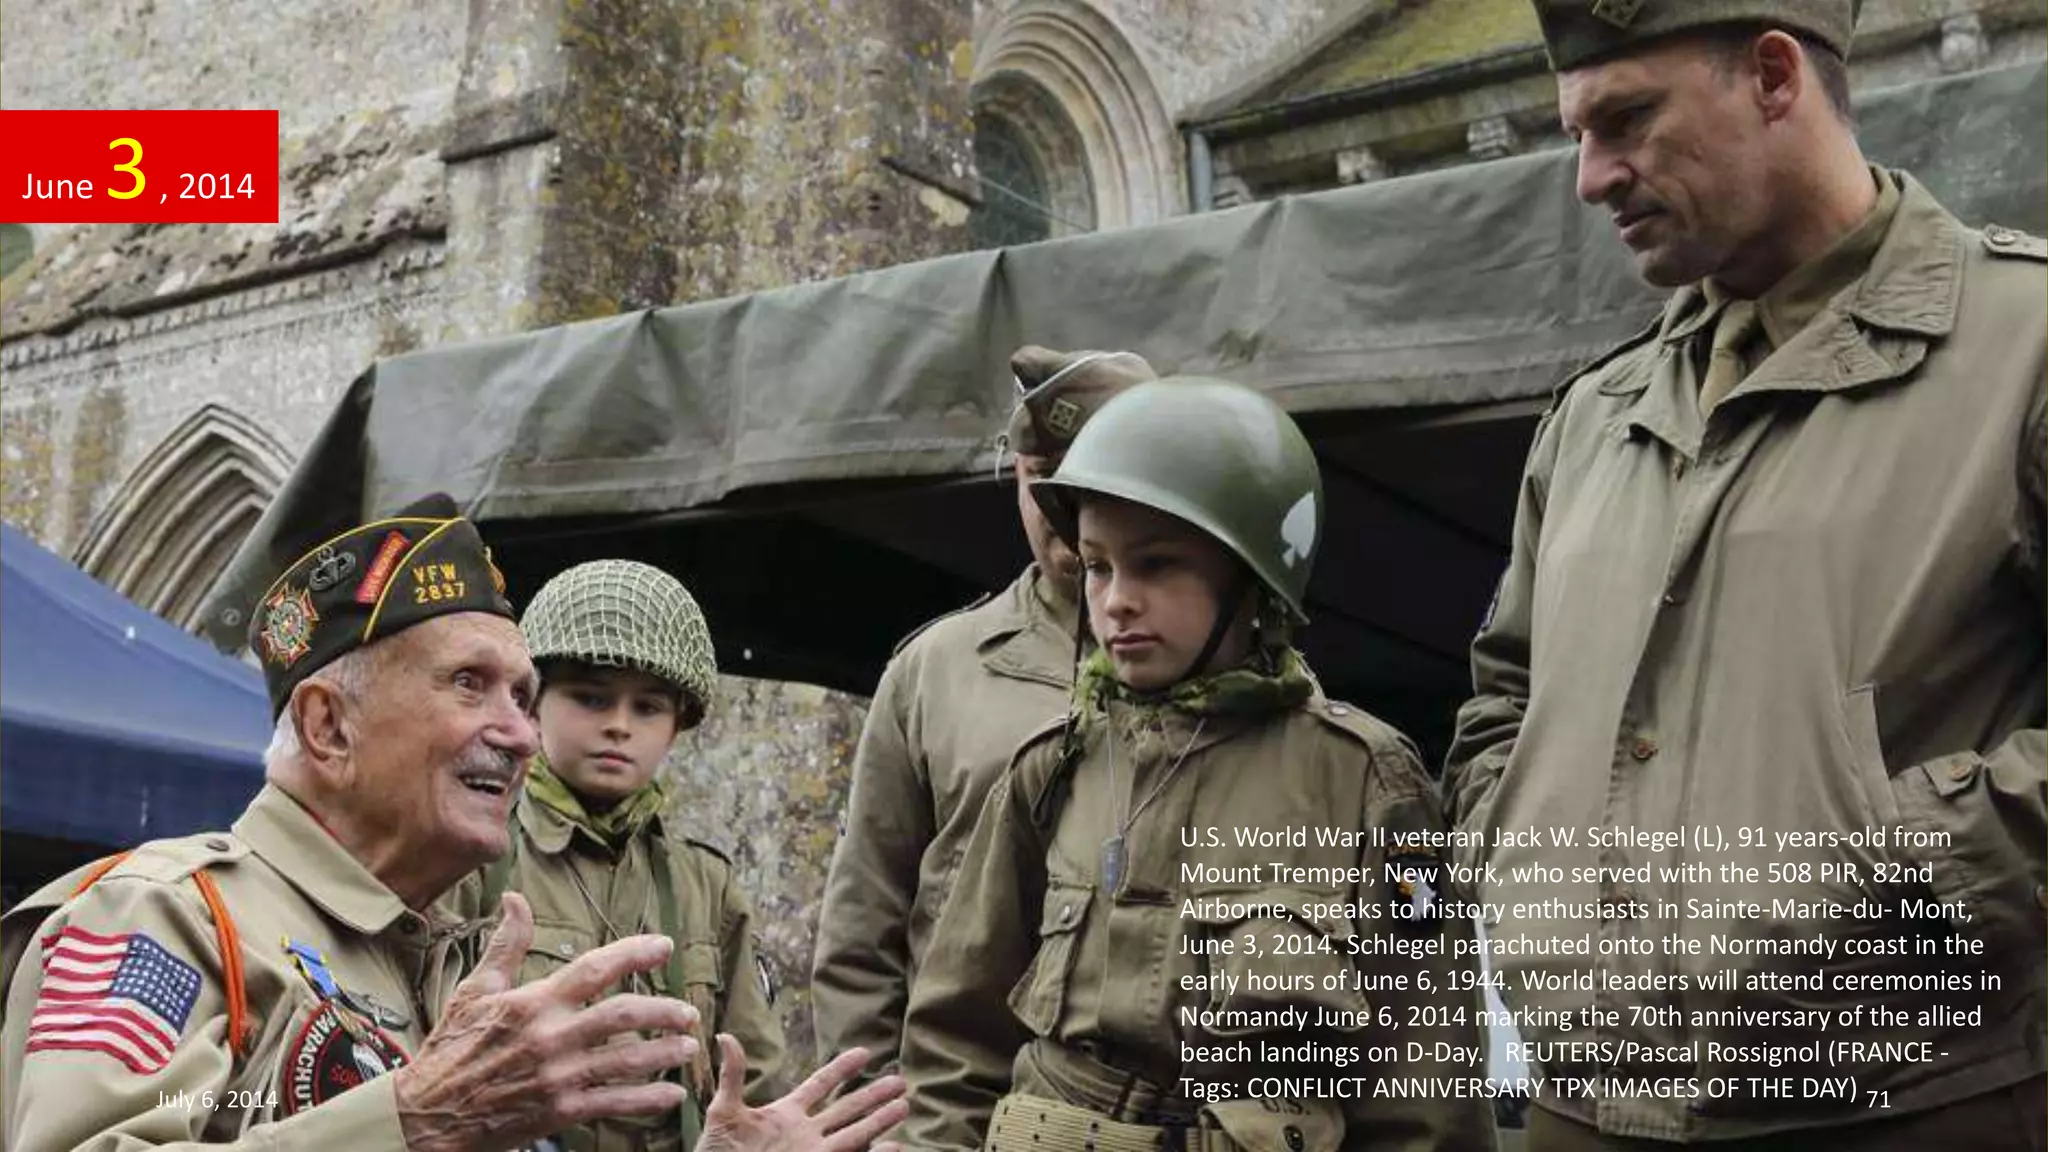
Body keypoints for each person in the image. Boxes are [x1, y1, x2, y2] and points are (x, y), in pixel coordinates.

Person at [1445, 4, 2046, 1149]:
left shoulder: (2023, 348)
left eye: (1623, 119)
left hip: (1911, 1104)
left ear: (1773, 78)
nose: (1588, 178)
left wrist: (1910, 867)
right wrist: (1518, 865)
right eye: (1574, 132)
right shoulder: (1591, 419)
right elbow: (1500, 702)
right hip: (1586, 1111)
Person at [0, 495, 907, 1152]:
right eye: (468, 685)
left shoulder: (453, 969)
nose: (518, 734)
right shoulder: (165, 920)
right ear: (328, 725)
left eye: (523, 696)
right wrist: (418, 1119)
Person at [899, 378, 1497, 1151]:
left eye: (1157, 565)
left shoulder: (1367, 784)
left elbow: (1425, 1087)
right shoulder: (1051, 770)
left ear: (1254, 581)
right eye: (1098, 566)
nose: (1116, 600)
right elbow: (957, 1038)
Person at [810, 345, 1156, 1079]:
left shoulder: (1232, 671)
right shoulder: (936, 670)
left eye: (1091, 470)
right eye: (1041, 478)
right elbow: (862, 930)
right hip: (962, 1106)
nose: (1061, 505)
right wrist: (877, 1119)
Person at [450, 558, 790, 1150]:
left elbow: (755, 1081)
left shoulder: (703, 884)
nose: (618, 726)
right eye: (590, 698)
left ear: (678, 726)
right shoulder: (471, 856)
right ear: (531, 707)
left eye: (648, 708)